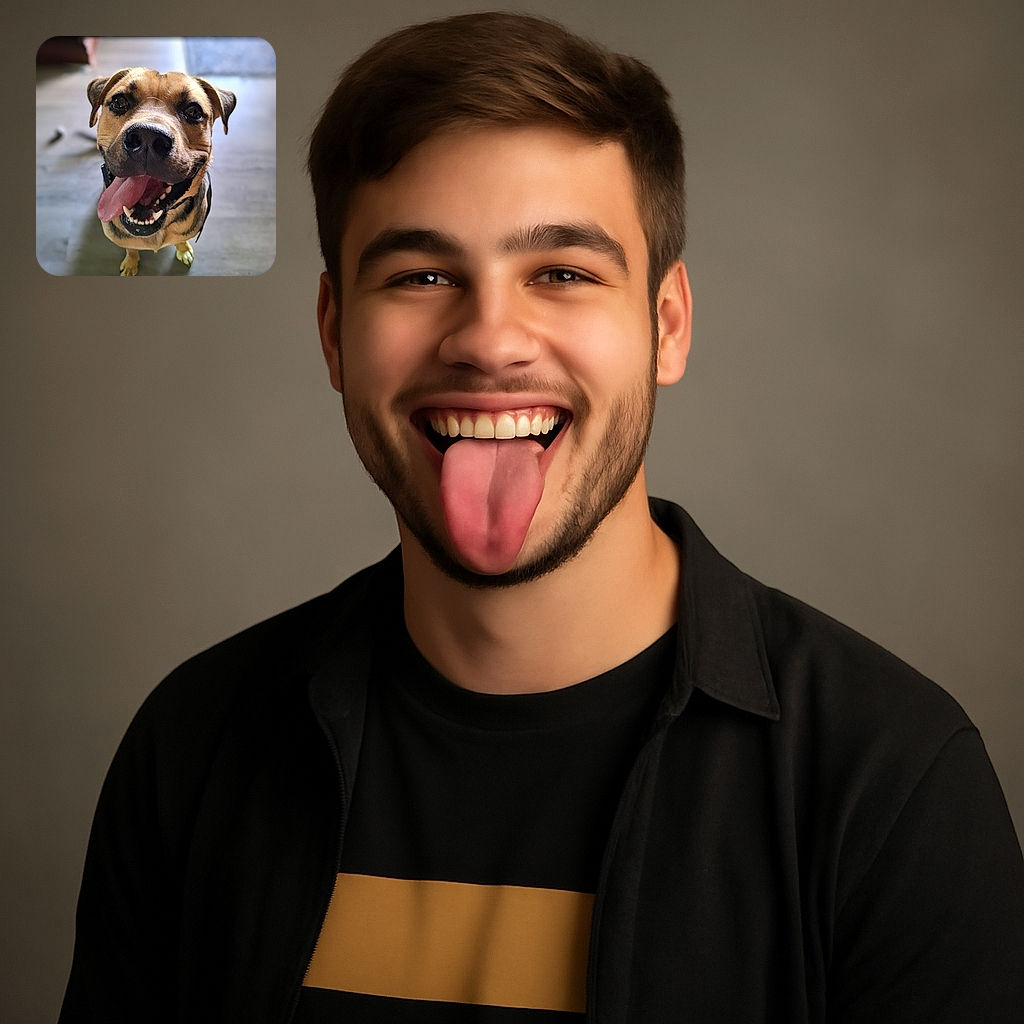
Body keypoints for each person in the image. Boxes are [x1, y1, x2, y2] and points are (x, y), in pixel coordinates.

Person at [59, 11, 1023, 1023]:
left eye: (561, 272)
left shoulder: (889, 781)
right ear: (335, 333)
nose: (488, 340)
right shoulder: (195, 747)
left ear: (666, 324)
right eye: (421, 275)